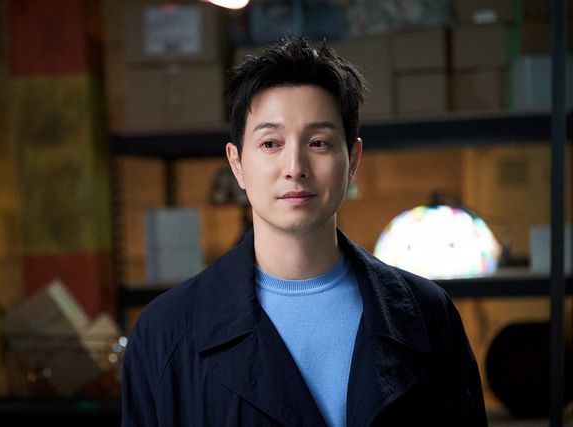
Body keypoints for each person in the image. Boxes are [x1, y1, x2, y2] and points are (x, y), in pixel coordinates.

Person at [121, 37, 487, 427]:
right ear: (237, 163)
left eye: (318, 142)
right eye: (270, 143)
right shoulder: (166, 333)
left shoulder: (427, 315)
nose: (295, 167)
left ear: (353, 161)